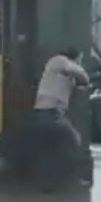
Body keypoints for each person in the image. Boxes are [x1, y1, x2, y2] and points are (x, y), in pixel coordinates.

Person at [31, 48, 90, 190]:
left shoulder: (59, 72)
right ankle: (70, 179)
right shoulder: (59, 60)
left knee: (51, 149)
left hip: (45, 113)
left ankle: (49, 183)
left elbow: (75, 85)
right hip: (51, 113)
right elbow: (80, 74)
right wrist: (83, 77)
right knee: (73, 140)